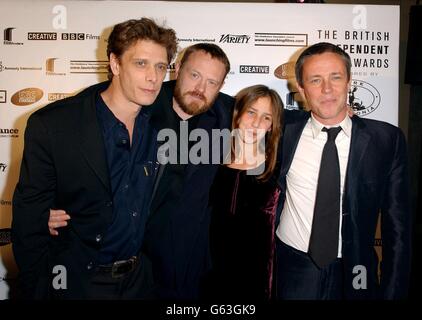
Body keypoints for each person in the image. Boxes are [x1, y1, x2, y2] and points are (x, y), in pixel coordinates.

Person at [48, 43, 235, 300]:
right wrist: (47, 206)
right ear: (177, 69)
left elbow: (273, 119)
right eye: (194, 75)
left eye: (212, 82)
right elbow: (79, 117)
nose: (200, 89)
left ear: (221, 86)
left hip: (189, 262)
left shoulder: (226, 115)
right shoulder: (142, 103)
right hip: (137, 258)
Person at [11, 18, 178, 299]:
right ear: (115, 64)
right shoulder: (54, 125)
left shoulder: (162, 125)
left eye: (161, 67)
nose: (153, 76)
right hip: (77, 283)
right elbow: (28, 223)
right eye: (141, 64)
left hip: (139, 283)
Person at [274, 42, 411, 299]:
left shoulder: (385, 140)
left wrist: (393, 293)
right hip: (293, 269)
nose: (327, 89)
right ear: (301, 90)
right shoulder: (282, 130)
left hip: (356, 269)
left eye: (335, 77)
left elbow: (398, 229)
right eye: (315, 80)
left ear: (349, 81)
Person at [204, 85, 283, 300]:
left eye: (266, 118)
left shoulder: (278, 166)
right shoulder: (213, 161)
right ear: (237, 114)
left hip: (258, 275)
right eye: (251, 112)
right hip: (213, 269)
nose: (257, 123)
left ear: (271, 126)